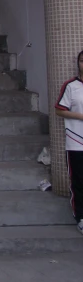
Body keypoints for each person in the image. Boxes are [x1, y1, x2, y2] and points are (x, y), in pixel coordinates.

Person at [54, 50, 83, 236]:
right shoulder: (71, 86)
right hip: (76, 142)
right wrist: (80, 116)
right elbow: (59, 109)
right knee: (79, 182)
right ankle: (80, 217)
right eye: (82, 60)